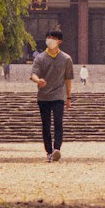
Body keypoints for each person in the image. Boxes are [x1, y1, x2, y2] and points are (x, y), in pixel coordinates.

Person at [30, 27, 73, 162]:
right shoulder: (40, 58)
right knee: (46, 124)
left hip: (58, 96)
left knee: (58, 123)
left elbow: (68, 79)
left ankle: (57, 149)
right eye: (49, 38)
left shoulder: (66, 59)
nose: (50, 41)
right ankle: (48, 152)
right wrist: (38, 80)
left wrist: (69, 97)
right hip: (43, 96)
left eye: (53, 38)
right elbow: (33, 74)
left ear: (59, 41)